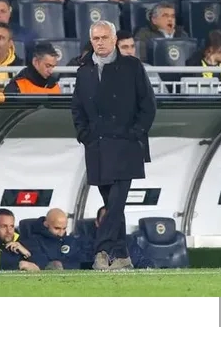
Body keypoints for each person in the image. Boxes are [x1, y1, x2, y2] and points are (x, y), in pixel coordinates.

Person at [71, 20, 156, 271]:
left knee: (116, 203)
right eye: (96, 38)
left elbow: (148, 104)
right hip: (97, 147)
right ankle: (122, 256)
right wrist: (84, 135)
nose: (100, 42)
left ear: (114, 39)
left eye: (104, 37)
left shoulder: (132, 66)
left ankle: (102, 250)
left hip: (126, 146)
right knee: (112, 206)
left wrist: (135, 133)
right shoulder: (84, 71)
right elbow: (77, 108)